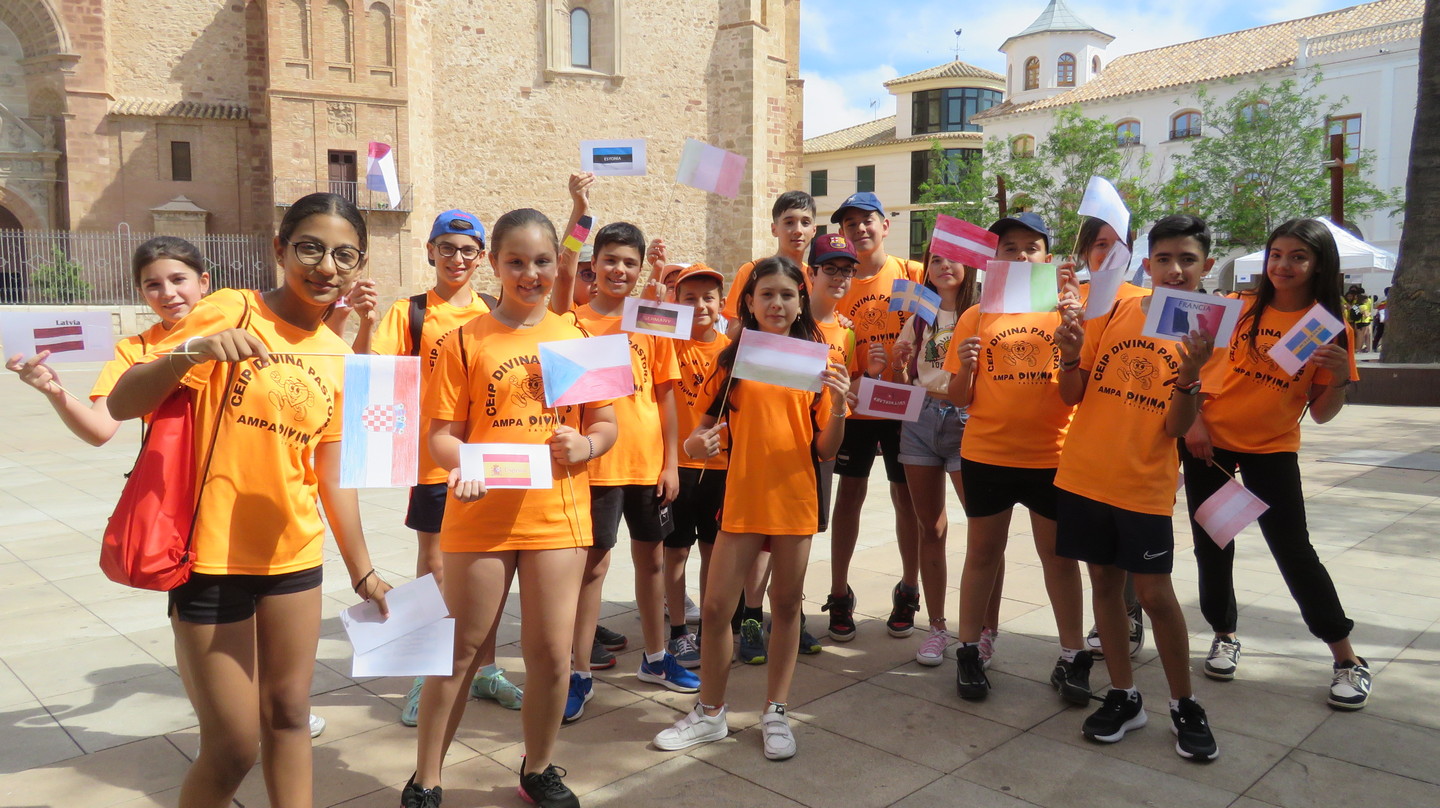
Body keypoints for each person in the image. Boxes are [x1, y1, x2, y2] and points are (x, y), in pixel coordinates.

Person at [107, 193, 394, 805]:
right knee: (234, 745)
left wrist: (362, 569)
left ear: (359, 264)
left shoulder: (340, 356)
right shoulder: (229, 310)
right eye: (310, 248)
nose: (326, 267)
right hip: (210, 556)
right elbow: (123, 402)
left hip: (293, 556)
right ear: (280, 249)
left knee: (291, 718)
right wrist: (194, 350)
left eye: (344, 255)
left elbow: (330, 469)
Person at [407, 207, 618, 808]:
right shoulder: (464, 339)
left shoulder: (576, 339)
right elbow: (442, 434)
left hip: (559, 516)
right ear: (494, 264)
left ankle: (540, 767)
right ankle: (426, 777)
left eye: (542, 262)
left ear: (558, 264)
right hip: (481, 516)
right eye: (516, 262)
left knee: (552, 654)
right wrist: (464, 462)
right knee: (460, 651)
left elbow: (605, 427)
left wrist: (586, 443)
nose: (530, 274)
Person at [653, 256, 850, 761]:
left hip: (794, 497)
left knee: (785, 607)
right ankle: (710, 712)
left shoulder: (818, 359)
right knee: (718, 609)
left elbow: (826, 448)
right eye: (766, 295)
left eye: (786, 294)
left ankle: (776, 711)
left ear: (800, 301)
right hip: (740, 497)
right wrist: (697, 447)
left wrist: (842, 406)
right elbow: (699, 433)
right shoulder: (731, 361)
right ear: (750, 303)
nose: (777, 304)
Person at [1184, 218, 1371, 709]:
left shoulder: (1326, 328)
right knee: (1212, 543)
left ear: (1318, 265)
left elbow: (1325, 413)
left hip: (1271, 449)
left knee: (1293, 550)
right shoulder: (1235, 310)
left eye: (1298, 257)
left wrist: (1338, 380)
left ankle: (1346, 658)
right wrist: (1193, 422)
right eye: (1277, 254)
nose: (1284, 265)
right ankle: (1224, 634)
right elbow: (1183, 366)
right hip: (1209, 444)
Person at [346, 209, 524, 726]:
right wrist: (364, 322)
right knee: (436, 569)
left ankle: (486, 670)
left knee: (491, 568)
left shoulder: (496, 308)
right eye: (447, 248)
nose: (457, 258)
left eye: (468, 250)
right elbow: (371, 372)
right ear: (430, 251)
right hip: (434, 463)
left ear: (481, 258)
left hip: (491, 460)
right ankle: (428, 673)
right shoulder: (413, 311)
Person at [1053, 213, 1220, 761]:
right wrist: (1072, 350)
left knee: (1154, 595)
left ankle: (1184, 703)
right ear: (1147, 264)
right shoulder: (1117, 308)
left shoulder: (1206, 334)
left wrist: (1191, 374)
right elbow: (1072, 393)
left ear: (1206, 267)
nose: (1175, 270)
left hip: (1144, 485)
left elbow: (1176, 426)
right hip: (1084, 474)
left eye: (1188, 260)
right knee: (1104, 583)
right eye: (1165, 258)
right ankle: (1124, 695)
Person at [944, 212, 1089, 704]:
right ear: (995, 257)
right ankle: (968, 650)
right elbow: (959, 398)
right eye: (1010, 247)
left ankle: (1072, 655)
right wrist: (963, 367)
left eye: (1032, 247)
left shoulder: (1069, 312)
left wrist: (1072, 350)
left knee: (1059, 559)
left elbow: (1074, 396)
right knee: (982, 554)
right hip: (987, 454)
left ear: (1047, 256)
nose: (1022, 255)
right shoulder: (977, 314)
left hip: (1051, 456)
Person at [565, 220, 691, 725]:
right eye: (611, 260)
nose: (620, 270)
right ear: (593, 264)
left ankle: (657, 659)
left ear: (641, 270)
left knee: (653, 563)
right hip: (595, 464)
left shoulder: (652, 320)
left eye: (630, 263)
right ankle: (579, 672)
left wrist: (672, 461)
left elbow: (666, 394)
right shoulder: (571, 322)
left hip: (647, 464)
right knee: (592, 567)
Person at [824, 191, 925, 643]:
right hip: (857, 405)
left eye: (868, 221)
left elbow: (948, 312)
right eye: (850, 224)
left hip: (903, 407)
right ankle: (839, 592)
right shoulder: (838, 281)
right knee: (850, 495)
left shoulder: (912, 273)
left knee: (909, 500)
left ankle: (909, 589)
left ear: (886, 224)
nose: (860, 229)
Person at [7, 236, 209, 447]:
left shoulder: (239, 327)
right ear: (142, 293)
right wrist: (55, 393)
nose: (168, 293)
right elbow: (100, 430)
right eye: (154, 285)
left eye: (178, 280)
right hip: (179, 471)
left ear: (203, 282)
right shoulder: (134, 350)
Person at [891, 246, 975, 666]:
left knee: (982, 530)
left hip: (968, 419)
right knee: (931, 528)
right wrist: (899, 362)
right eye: (936, 260)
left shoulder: (981, 312)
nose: (944, 266)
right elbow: (902, 373)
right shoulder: (919, 317)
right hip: (921, 418)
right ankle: (938, 627)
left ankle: (981, 631)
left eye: (952, 258)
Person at [1069, 216, 1148, 661]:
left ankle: (1127, 611)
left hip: (1124, 439)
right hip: (1071, 439)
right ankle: (1112, 613)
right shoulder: (1069, 300)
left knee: (1128, 538)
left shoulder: (1143, 301)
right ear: (1085, 254)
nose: (1109, 253)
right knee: (1092, 547)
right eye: (1100, 245)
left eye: (1118, 244)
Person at [662, 263, 731, 670]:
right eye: (690, 298)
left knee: (714, 553)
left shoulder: (733, 351)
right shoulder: (666, 345)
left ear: (721, 303)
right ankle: (676, 633)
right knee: (675, 553)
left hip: (722, 469)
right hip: (676, 468)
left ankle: (709, 626)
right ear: (676, 303)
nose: (700, 305)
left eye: (708, 297)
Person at [723, 190, 818, 336]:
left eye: (805, 223)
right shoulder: (750, 271)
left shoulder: (815, 277)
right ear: (774, 229)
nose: (798, 230)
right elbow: (734, 330)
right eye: (789, 223)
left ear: (814, 230)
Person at [1344, 284, 1373, 352]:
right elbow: (1366, 315)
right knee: (1363, 336)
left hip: (1357, 322)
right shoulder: (1364, 306)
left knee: (1359, 336)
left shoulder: (1355, 305)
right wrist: (1370, 313)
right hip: (1364, 322)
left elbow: (1351, 309)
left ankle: (1359, 349)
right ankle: (1360, 349)